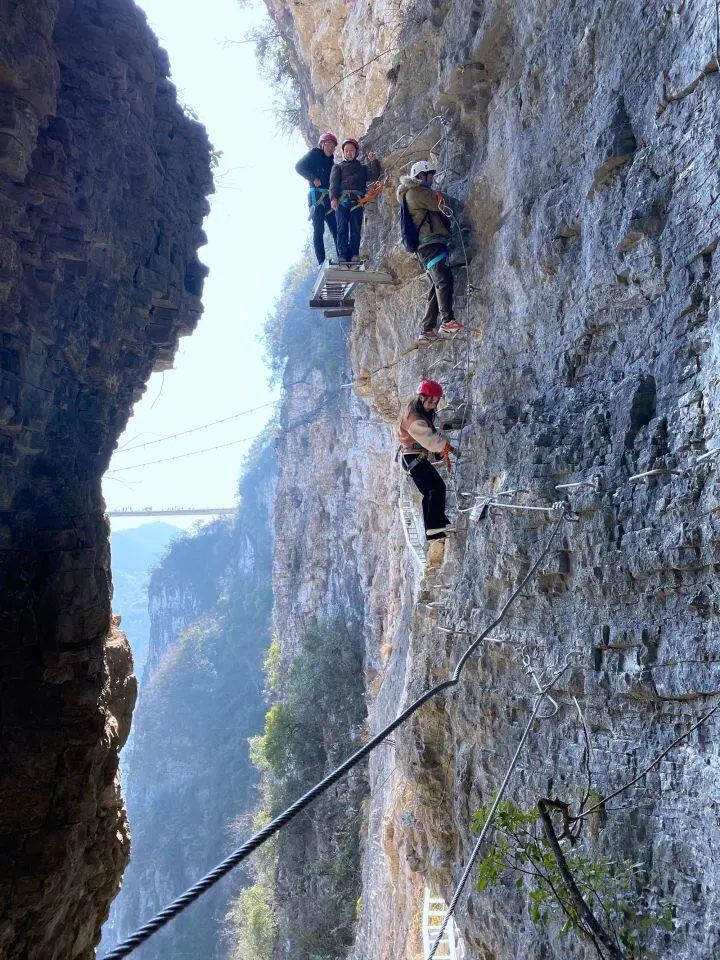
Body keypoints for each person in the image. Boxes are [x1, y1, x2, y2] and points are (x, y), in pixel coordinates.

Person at [397, 160, 464, 342]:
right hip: (430, 244)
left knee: (436, 284)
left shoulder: (410, 193)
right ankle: (447, 321)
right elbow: (438, 204)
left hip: (425, 246)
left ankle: (427, 329)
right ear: (421, 176)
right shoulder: (417, 191)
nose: (432, 178)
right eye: (430, 175)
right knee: (443, 279)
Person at [398, 379, 456, 541]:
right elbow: (429, 440)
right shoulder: (414, 418)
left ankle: (435, 529)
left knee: (431, 490)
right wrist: (445, 447)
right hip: (413, 458)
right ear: (422, 397)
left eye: (436, 402)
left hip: (414, 458)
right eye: (431, 401)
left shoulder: (419, 410)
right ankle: (434, 527)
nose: (433, 405)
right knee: (435, 488)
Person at [329, 138, 382, 263]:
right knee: (341, 228)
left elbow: (374, 176)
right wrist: (333, 198)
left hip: (357, 201)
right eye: (346, 150)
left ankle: (354, 254)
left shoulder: (362, 168)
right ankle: (342, 255)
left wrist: (373, 161)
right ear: (343, 153)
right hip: (342, 201)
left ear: (356, 152)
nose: (349, 152)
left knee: (355, 228)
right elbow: (333, 184)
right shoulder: (338, 167)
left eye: (351, 150)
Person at [295, 132, 338, 265]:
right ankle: (321, 262)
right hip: (317, 198)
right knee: (319, 229)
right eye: (329, 144)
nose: (331, 147)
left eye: (333, 145)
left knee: (336, 228)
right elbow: (299, 167)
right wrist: (313, 178)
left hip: (328, 199)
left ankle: (343, 256)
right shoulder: (314, 154)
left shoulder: (332, 163)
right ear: (323, 144)